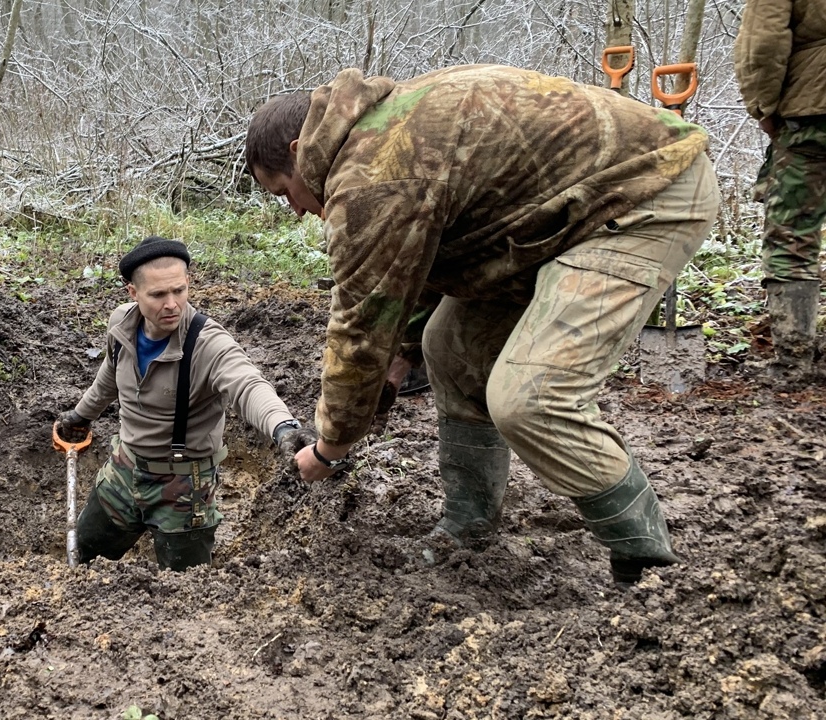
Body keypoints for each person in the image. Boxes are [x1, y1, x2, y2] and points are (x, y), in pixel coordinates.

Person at [246, 65, 719, 585]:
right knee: (448, 347)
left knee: (532, 398)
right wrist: (402, 355)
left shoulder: (373, 173)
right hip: (554, 220)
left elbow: (359, 326)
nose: (293, 209)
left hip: (643, 195)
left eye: (283, 191)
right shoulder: (379, 133)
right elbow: (418, 259)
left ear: (298, 151)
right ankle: (469, 524)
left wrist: (330, 449)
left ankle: (648, 567)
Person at [54, 236, 314, 571]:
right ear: (132, 294)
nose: (172, 304)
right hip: (124, 470)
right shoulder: (121, 324)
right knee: (85, 560)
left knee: (185, 589)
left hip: (184, 488)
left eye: (179, 290)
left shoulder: (208, 344)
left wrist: (285, 429)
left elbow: (248, 386)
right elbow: (110, 373)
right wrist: (81, 415)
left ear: (188, 283)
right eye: (158, 294)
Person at [736, 0, 825, 380]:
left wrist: (764, 107)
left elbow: (764, 42)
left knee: (792, 233)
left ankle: (794, 361)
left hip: (814, 111)